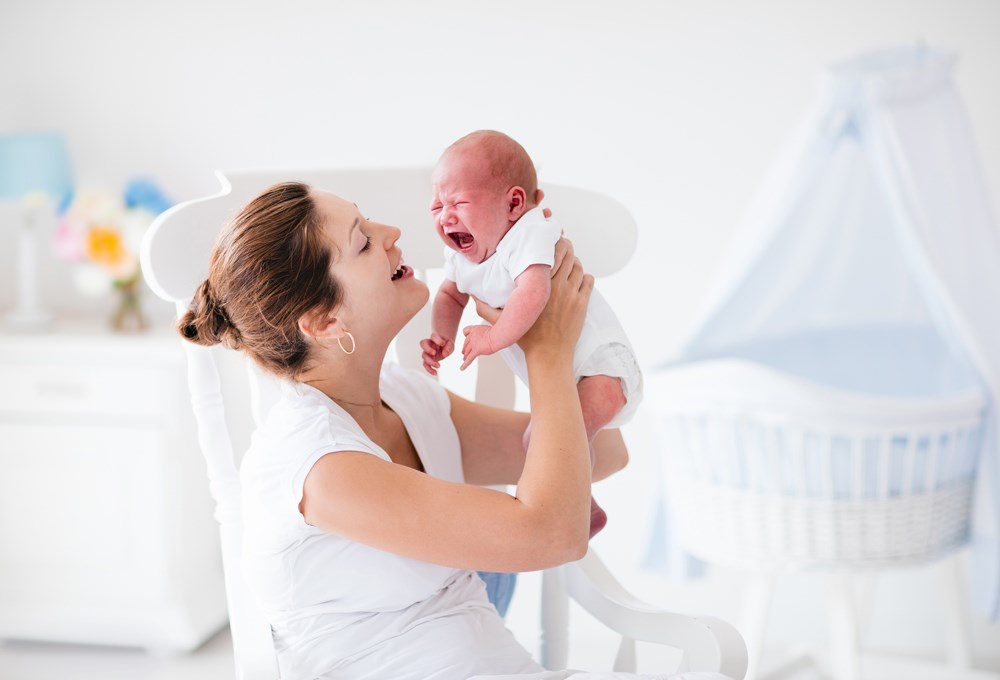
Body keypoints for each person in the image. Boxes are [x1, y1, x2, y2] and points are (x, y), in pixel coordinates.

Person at [179, 182, 728, 680]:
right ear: (325, 322)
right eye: (363, 242)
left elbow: (606, 450)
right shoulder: (318, 466)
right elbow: (554, 534)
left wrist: (539, 322)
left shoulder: (407, 401)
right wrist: (547, 355)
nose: (391, 233)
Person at [421, 130, 643, 538]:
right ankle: (584, 506)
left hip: (601, 366)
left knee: (558, 438)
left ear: (514, 204)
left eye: (459, 203)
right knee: (536, 443)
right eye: (437, 206)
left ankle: (565, 507)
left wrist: (491, 338)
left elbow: (534, 291)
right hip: (562, 377)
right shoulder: (459, 257)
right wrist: (442, 336)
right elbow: (449, 296)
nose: (445, 216)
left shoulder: (528, 234)